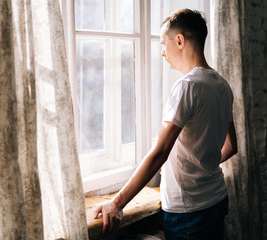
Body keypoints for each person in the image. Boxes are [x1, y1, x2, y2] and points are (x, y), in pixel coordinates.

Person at [94, 8, 238, 240]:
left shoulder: (187, 86)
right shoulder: (222, 84)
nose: (162, 52)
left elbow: (160, 152)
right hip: (217, 199)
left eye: (164, 43)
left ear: (179, 40)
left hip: (189, 210)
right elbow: (231, 147)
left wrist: (117, 203)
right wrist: (200, 163)